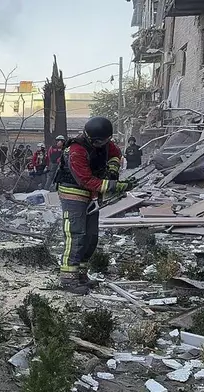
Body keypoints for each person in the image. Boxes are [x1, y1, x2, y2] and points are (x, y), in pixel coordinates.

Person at [54, 117, 135, 294]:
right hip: (73, 192)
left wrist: (113, 169)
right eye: (101, 142)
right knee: (76, 234)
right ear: (92, 139)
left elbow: (115, 154)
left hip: (91, 193)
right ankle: (68, 278)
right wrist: (115, 186)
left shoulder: (106, 143)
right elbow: (85, 180)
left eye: (106, 141)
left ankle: (81, 274)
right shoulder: (76, 150)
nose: (104, 144)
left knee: (91, 236)